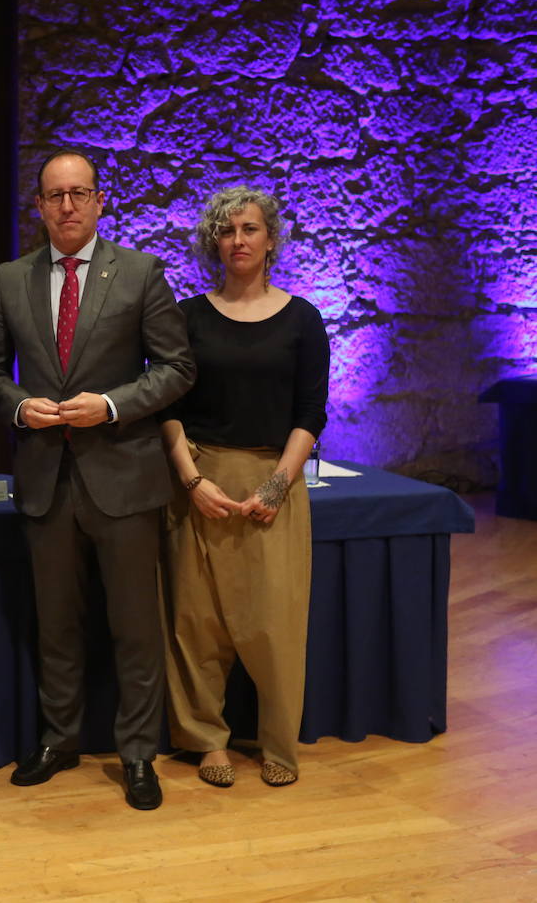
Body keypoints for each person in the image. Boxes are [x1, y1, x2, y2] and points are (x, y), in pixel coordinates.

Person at [0, 149, 195, 810]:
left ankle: (136, 753)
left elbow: (177, 367)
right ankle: (59, 738)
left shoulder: (143, 273)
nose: (66, 206)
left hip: (124, 476)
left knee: (134, 625)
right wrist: (16, 404)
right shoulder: (9, 280)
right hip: (45, 479)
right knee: (57, 623)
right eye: (53, 196)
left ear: (100, 202)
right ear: (37, 207)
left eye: (78, 194)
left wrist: (114, 404)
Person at [160, 186, 329, 788]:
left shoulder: (304, 320)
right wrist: (192, 480)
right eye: (227, 231)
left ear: (271, 239)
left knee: (276, 621)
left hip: (275, 481)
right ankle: (205, 739)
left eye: (250, 229)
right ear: (214, 242)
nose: (238, 240)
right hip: (202, 481)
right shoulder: (186, 317)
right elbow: (168, 407)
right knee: (197, 621)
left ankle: (280, 742)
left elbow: (311, 413)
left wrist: (279, 485)